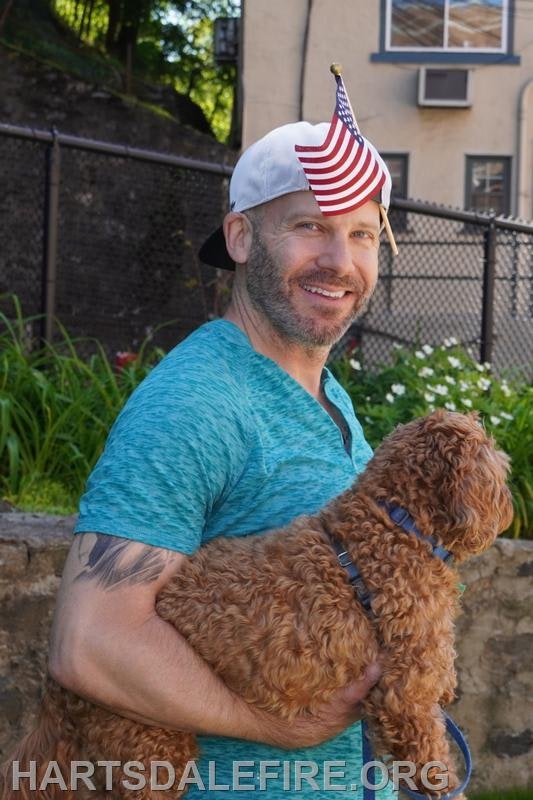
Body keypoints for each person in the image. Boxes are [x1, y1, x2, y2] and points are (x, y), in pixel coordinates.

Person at [48, 70, 398, 798]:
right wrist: (271, 725)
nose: (340, 262)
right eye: (309, 226)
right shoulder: (198, 400)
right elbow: (92, 643)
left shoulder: (326, 392)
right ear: (240, 236)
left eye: (361, 234)